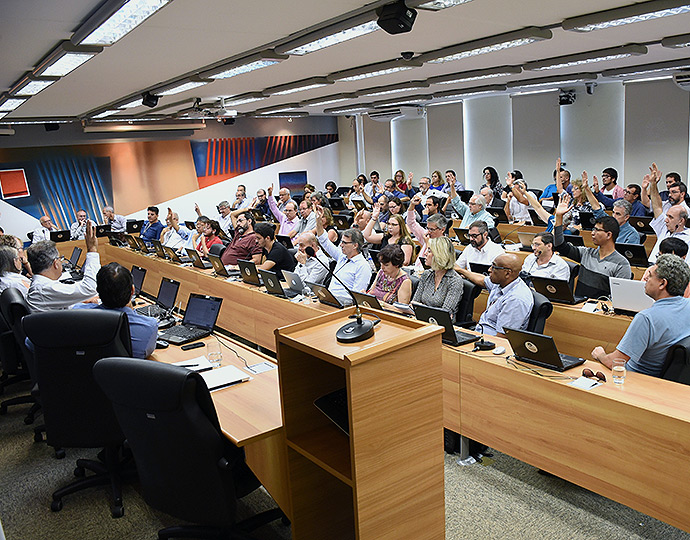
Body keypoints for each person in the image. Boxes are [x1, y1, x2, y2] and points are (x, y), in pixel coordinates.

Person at [591, 254, 690, 377]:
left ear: (662, 284)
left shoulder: (647, 318)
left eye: (650, 275)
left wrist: (600, 354)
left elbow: (614, 362)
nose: (646, 278)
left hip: (636, 378)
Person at [553, 192, 631, 298]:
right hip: (579, 306)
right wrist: (558, 217)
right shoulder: (586, 253)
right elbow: (560, 246)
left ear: (609, 235)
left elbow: (620, 297)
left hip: (599, 311)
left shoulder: (621, 264)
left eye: (597, 230)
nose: (592, 233)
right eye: (593, 229)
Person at [73, 263, 157, 359]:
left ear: (98, 291)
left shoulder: (77, 314)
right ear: (132, 291)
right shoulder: (149, 327)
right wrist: (132, 310)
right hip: (124, 373)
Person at [26, 221, 100, 312]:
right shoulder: (44, 288)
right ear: (55, 264)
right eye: (60, 259)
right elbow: (90, 287)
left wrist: (85, 300)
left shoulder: (42, 284)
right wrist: (92, 249)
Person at [458, 253, 534, 336]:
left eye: (494, 267)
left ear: (507, 273)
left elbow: (502, 337)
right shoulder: (502, 282)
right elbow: (481, 280)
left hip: (491, 342)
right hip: (479, 333)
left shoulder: (516, 299)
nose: (489, 270)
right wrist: (459, 269)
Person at [314, 204, 371, 306]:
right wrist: (318, 220)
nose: (341, 245)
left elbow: (356, 297)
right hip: (329, 299)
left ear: (355, 245)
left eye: (344, 243)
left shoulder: (363, 266)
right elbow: (323, 240)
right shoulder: (342, 256)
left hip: (344, 305)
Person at [411, 236, 463, 320]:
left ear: (439, 255)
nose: (425, 254)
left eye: (429, 251)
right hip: (421, 320)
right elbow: (414, 304)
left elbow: (444, 314)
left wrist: (422, 309)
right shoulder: (426, 274)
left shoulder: (455, 281)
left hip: (440, 327)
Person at [646, 162, 690, 263]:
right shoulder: (664, 228)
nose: (666, 219)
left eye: (670, 217)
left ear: (681, 221)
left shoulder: (688, 237)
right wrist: (653, 183)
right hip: (651, 266)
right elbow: (657, 206)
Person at [407, 199, 448, 274]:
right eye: (428, 228)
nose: (429, 231)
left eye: (432, 229)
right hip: (416, 271)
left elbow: (437, 264)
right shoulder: (426, 235)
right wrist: (412, 206)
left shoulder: (446, 243)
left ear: (442, 229)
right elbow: (411, 223)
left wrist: (428, 243)